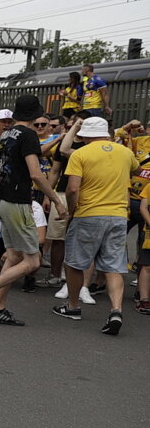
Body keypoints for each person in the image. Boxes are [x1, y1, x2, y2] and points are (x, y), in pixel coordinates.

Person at [0, 95, 67, 327]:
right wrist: (57, 201)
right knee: (33, 262)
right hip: (19, 203)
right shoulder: (29, 135)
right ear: (35, 115)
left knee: (13, 257)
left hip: (2, 201)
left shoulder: (6, 134)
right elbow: (35, 173)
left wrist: (7, 188)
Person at [53, 117, 137, 335]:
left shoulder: (80, 154)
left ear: (84, 135)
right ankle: (116, 310)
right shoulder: (125, 153)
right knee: (114, 265)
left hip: (88, 214)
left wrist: (73, 210)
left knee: (74, 263)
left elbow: (72, 189)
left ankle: (73, 306)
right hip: (118, 215)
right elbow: (135, 169)